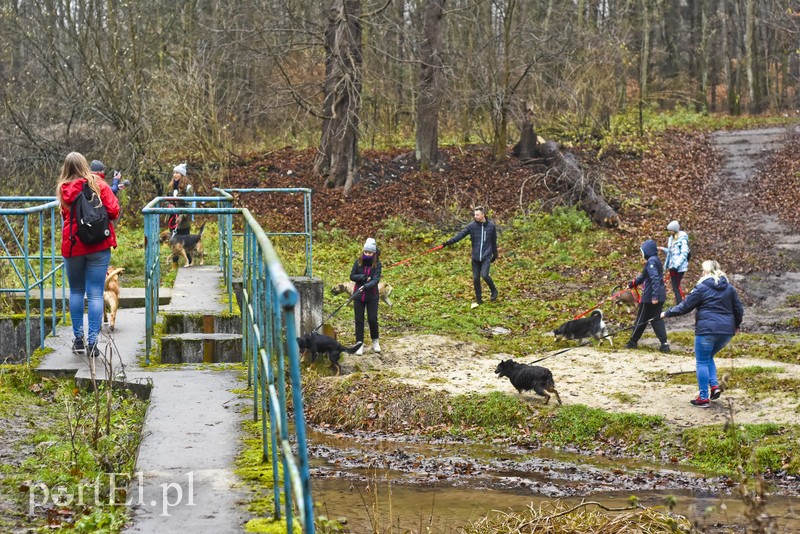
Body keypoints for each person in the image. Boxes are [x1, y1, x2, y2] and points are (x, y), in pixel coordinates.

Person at [58, 152, 120, 358]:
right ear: (85, 165)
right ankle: (93, 343)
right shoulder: (98, 184)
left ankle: (78, 340)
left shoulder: (64, 189)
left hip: (73, 245)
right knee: (95, 293)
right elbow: (114, 211)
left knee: (76, 291)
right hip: (98, 245)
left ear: (66, 168)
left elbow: (65, 214)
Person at [661, 260, 744, 407]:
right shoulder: (729, 288)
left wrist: (667, 313)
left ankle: (704, 398)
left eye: (702, 271)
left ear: (706, 272)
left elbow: (685, 306)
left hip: (706, 331)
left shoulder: (701, 287)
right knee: (708, 357)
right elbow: (738, 309)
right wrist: (736, 325)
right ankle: (714, 386)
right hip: (726, 332)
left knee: (701, 362)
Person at [442, 206, 498, 308]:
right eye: (474, 214)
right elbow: (460, 235)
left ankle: (494, 290)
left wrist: (495, 254)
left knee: (484, 275)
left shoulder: (491, 226)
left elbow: (493, 241)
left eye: (477, 214)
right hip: (475, 257)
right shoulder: (472, 226)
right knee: (476, 278)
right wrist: (448, 242)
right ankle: (479, 300)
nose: (475, 216)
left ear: (483, 215)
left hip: (486, 256)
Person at [625, 239, 670, 352]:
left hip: (650, 298)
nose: (642, 253)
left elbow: (655, 279)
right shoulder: (655, 260)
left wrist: (654, 297)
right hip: (660, 295)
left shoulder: (651, 261)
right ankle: (664, 344)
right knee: (656, 319)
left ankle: (632, 342)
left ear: (647, 251)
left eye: (643, 251)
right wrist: (632, 284)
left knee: (641, 319)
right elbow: (643, 276)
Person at [350, 238, 383, 356]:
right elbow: (352, 276)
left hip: (372, 295)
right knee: (359, 320)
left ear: (374, 253)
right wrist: (363, 277)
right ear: (363, 251)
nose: (368, 254)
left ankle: (375, 341)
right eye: (366, 252)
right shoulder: (358, 262)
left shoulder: (377, 264)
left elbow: (376, 280)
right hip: (358, 295)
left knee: (372, 319)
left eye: (370, 252)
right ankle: (359, 344)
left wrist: (366, 286)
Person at [168, 163, 195, 266]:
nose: (175, 175)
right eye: (174, 173)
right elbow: (166, 199)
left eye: (177, 173)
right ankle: (175, 263)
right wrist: (169, 205)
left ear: (182, 175)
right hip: (172, 216)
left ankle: (189, 262)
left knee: (185, 240)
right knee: (173, 240)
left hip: (184, 219)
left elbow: (189, 204)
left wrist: (181, 216)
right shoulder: (171, 186)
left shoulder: (188, 187)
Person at [659, 220, 690, 305]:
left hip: (679, 268)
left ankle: (680, 304)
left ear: (674, 230)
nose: (668, 232)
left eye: (670, 230)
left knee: (676, 286)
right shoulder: (671, 239)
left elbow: (684, 254)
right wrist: (663, 249)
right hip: (672, 267)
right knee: (675, 286)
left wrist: (676, 266)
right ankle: (680, 303)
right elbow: (671, 252)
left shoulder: (682, 240)